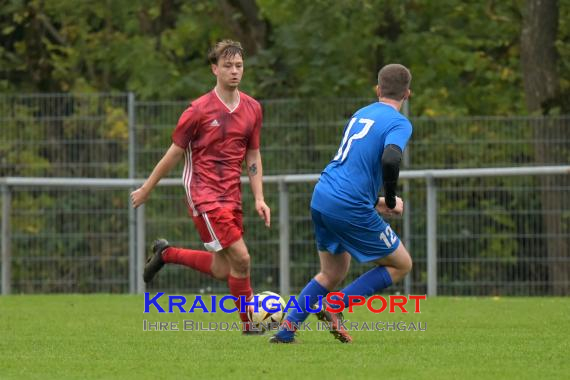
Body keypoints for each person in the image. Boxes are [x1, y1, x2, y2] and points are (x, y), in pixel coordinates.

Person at [130, 40, 271, 334]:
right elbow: (174, 153)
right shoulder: (197, 110)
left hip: (232, 196)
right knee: (242, 259)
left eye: (239, 66)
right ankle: (250, 327)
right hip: (204, 195)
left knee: (223, 269)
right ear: (214, 69)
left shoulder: (253, 109)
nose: (234, 71)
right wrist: (147, 188)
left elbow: (253, 154)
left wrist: (259, 197)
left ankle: (165, 254)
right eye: (228, 66)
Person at [270, 64, 413, 343]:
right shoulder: (399, 122)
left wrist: (375, 201)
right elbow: (391, 159)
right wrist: (393, 198)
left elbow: (353, 167)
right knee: (401, 264)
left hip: (323, 195)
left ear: (377, 90)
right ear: (407, 94)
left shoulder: (361, 113)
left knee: (332, 272)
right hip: (348, 203)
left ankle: (286, 332)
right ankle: (335, 305)